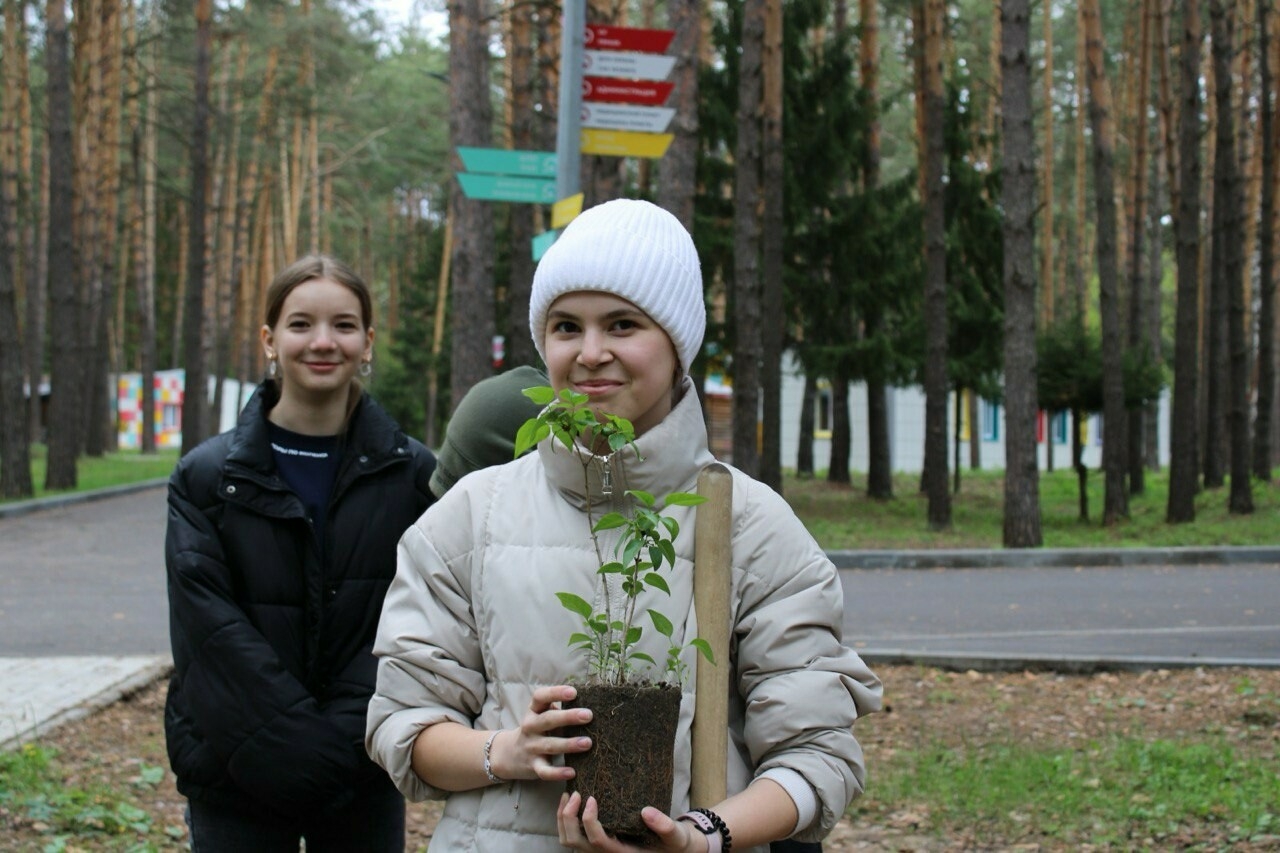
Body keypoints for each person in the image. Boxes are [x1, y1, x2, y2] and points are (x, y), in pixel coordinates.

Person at [367, 199, 882, 852]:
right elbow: (404, 723)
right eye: (566, 326)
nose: (590, 353)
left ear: (677, 345)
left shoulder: (752, 526)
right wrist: (506, 749)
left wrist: (704, 836)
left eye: (622, 324)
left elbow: (817, 756)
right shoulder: (471, 517)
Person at [164, 254, 437, 851]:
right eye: (300, 324)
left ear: (367, 342)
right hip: (235, 770)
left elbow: (418, 622)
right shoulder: (207, 477)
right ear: (269, 339)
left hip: (362, 768)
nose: (323, 341)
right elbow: (208, 635)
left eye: (343, 325)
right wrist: (302, 753)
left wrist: (341, 745)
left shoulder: (414, 474)